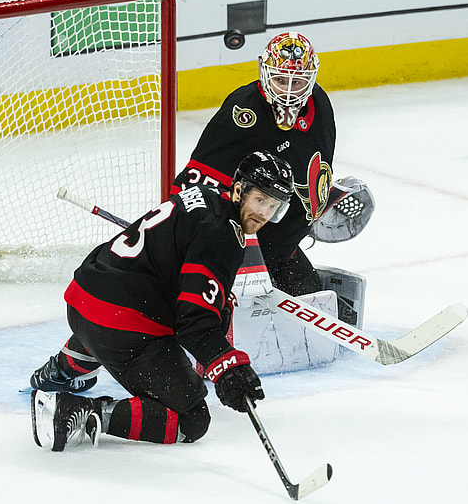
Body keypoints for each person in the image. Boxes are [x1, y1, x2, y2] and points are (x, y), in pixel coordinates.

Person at [30, 151, 295, 452]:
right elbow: (193, 321)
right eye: (260, 200)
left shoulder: (204, 195)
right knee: (192, 418)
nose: (264, 213)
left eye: (274, 206)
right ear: (239, 189)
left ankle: (62, 369)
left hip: (83, 300)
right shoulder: (222, 236)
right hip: (121, 324)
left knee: (190, 308)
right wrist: (227, 366)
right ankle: (79, 410)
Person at [172, 31, 341, 298]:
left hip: (283, 244)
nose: (287, 91)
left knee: (311, 296)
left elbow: (313, 170)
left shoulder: (319, 104)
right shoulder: (244, 111)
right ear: (264, 71)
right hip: (240, 244)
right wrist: (176, 230)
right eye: (280, 79)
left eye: (297, 82)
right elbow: (198, 178)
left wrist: (318, 204)